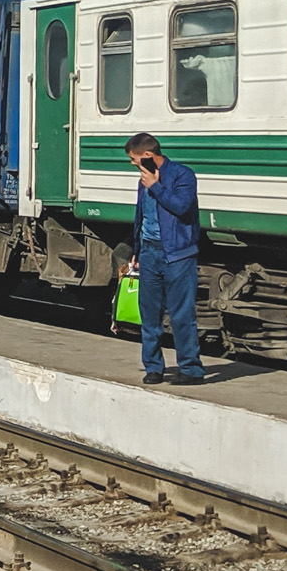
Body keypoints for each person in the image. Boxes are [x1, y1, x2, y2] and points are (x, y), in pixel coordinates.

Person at [128, 132, 205, 386]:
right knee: (149, 315)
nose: (133, 163)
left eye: (135, 158)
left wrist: (156, 187)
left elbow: (182, 207)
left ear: (149, 155)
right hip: (149, 253)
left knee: (182, 314)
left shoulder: (183, 175)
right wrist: (137, 251)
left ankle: (191, 369)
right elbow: (143, 216)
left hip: (178, 254)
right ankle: (153, 367)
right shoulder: (144, 180)